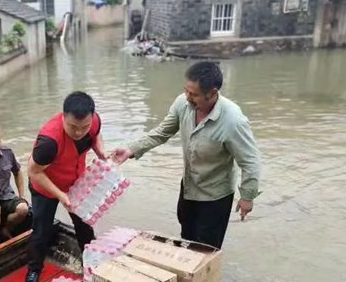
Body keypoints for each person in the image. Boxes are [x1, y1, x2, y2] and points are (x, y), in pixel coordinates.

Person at [111, 61, 261, 249]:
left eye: (194, 94)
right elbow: (162, 131)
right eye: (186, 91)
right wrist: (131, 149)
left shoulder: (233, 121)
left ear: (212, 93)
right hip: (189, 186)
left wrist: (247, 196)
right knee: (186, 237)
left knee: (206, 248)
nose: (188, 97)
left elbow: (250, 161)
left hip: (215, 196)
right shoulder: (183, 103)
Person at [25, 91, 106, 282]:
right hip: (46, 187)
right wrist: (60, 195)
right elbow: (33, 172)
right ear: (63, 116)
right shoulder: (49, 142)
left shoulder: (94, 123)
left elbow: (95, 136)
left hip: (75, 182)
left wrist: (101, 152)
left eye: (84, 127)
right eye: (72, 127)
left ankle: (92, 265)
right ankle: (34, 269)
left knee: (84, 225)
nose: (79, 132)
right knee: (41, 230)